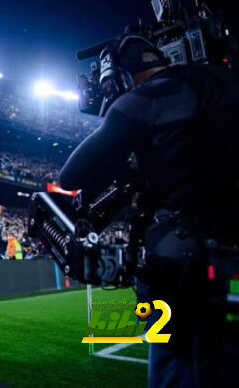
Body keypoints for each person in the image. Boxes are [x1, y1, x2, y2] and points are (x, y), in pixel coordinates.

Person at [59, 34, 239, 387]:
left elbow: (71, 176)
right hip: (232, 268)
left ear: (118, 78)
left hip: (189, 273)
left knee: (177, 367)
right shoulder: (220, 83)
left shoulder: (146, 99)